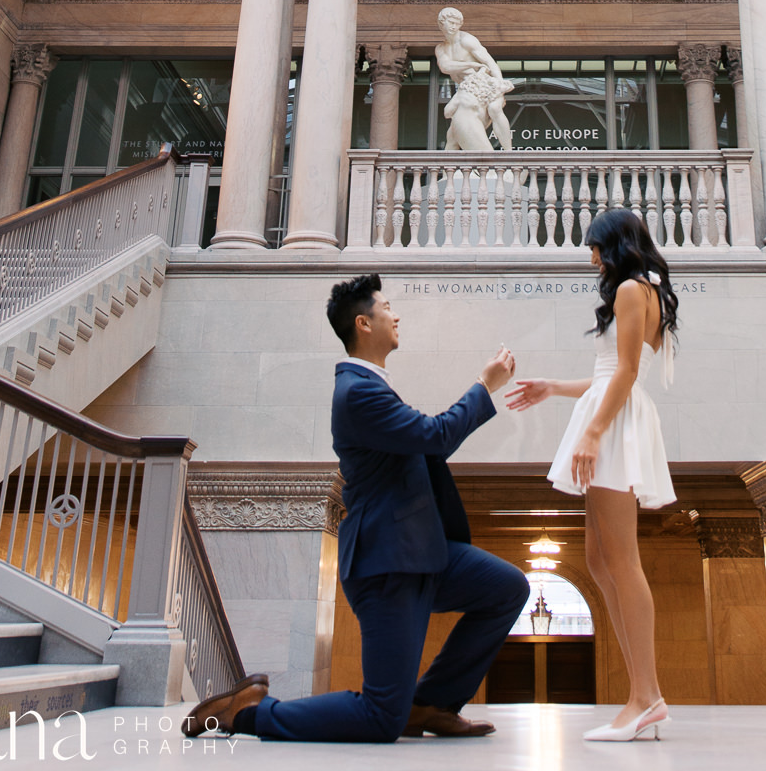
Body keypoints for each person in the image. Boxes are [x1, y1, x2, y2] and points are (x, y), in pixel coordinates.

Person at [183, 273, 528, 742]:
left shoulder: (373, 387)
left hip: (422, 553)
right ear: (364, 323)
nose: (397, 314)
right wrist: (484, 385)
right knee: (380, 716)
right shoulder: (358, 392)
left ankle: (429, 704)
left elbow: (426, 447)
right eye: (388, 307)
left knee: (507, 589)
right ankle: (248, 713)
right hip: (387, 563)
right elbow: (434, 437)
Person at [505, 209, 679, 743]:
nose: (591, 257)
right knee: (599, 559)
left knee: (621, 560)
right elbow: (611, 373)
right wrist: (554, 387)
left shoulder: (631, 289)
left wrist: (593, 433)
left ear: (617, 245)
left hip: (615, 419)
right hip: (612, 410)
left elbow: (625, 373)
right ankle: (641, 695)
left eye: (596, 247)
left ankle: (646, 697)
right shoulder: (640, 290)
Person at [435, 7, 514, 151]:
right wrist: (470, 64)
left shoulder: (467, 40)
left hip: (485, 82)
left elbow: (490, 63)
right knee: (453, 132)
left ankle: (509, 152)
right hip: (467, 87)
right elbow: (445, 67)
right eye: (450, 22)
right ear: (442, 23)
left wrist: (499, 84)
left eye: (457, 23)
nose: (453, 26)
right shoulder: (441, 48)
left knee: (494, 108)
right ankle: (448, 171)